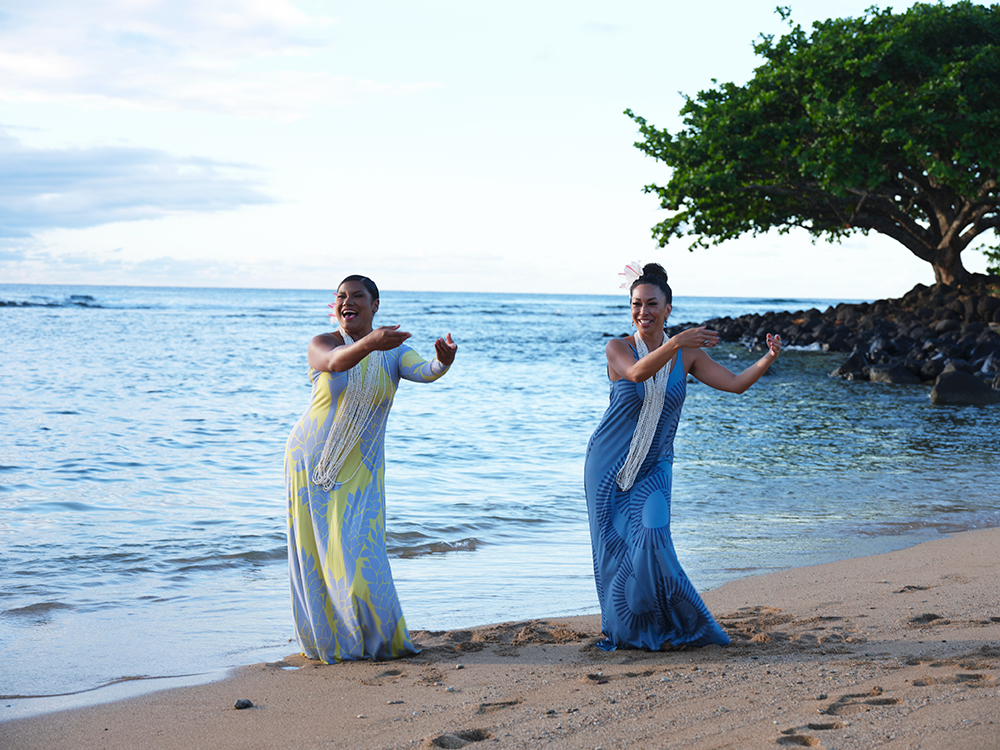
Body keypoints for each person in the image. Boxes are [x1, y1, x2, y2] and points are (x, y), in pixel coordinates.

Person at [584, 262, 782, 651]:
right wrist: (676, 343)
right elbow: (639, 374)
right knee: (616, 549)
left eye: (652, 304)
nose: (644, 312)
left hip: (656, 465)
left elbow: (736, 384)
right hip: (609, 464)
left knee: (653, 537)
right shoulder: (618, 348)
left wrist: (768, 358)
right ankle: (627, 629)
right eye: (636, 304)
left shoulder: (687, 355)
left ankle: (677, 623)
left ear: (668, 308)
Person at [285, 275, 457, 662]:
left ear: (375, 304)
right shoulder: (323, 343)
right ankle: (331, 640)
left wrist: (443, 362)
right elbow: (334, 362)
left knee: (361, 551)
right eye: (341, 297)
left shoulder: (393, 351)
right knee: (320, 550)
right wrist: (369, 343)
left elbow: (425, 370)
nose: (347, 302)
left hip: (361, 468)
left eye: (357, 296)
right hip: (311, 460)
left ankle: (378, 640)